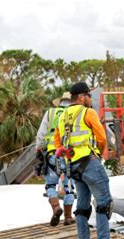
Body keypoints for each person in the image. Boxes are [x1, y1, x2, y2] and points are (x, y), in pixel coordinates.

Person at [54, 82, 124, 239]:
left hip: (73, 166)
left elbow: (57, 142)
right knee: (104, 203)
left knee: (83, 205)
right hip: (89, 163)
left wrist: (68, 155)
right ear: (81, 97)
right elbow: (101, 138)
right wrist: (98, 155)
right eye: (88, 96)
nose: (90, 99)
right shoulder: (88, 112)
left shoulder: (62, 117)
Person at [35, 92, 75, 226]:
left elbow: (41, 133)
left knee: (51, 184)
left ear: (61, 101)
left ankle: (56, 207)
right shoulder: (75, 113)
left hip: (52, 154)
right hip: (69, 155)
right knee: (69, 186)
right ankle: (68, 217)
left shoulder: (51, 113)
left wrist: (39, 148)